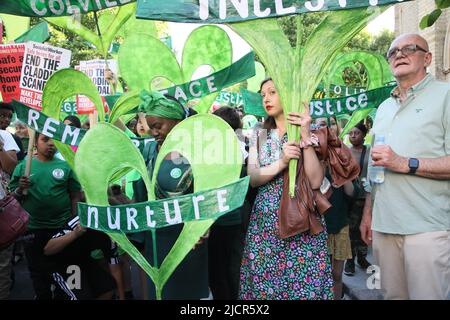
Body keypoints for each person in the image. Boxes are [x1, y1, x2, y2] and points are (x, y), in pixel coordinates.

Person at [360, 33, 450, 300]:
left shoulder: (445, 96)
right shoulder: (385, 107)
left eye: (409, 48)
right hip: (383, 226)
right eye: (393, 51)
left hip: (428, 227)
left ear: (427, 58)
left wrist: (404, 163)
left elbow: (396, 162)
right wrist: (368, 211)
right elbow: (375, 167)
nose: (399, 54)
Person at [239, 78, 333, 300]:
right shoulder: (259, 132)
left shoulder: (313, 130)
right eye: (263, 95)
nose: (266, 99)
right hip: (265, 227)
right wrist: (281, 162)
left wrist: (304, 136)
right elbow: (253, 178)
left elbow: (315, 181)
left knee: (304, 288)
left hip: (303, 226)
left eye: (272, 92)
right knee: (265, 288)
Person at [132, 91, 209, 300]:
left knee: (186, 293)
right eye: (151, 126)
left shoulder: (197, 150)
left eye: (159, 125)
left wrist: (205, 224)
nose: (154, 132)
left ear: (177, 121)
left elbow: (211, 189)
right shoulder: (148, 150)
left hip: (186, 237)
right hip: (155, 237)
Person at [9, 133, 83, 299]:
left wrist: (73, 224)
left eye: (54, 140)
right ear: (35, 142)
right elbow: (12, 199)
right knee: (38, 272)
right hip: (33, 230)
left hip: (61, 229)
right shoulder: (23, 168)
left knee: (66, 270)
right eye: (45, 139)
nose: (50, 144)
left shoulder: (66, 167)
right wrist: (20, 189)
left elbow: (75, 196)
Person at [208, 106, 250, 300]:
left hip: (230, 219)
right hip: (225, 220)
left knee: (225, 272)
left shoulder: (238, 149)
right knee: (228, 271)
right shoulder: (244, 146)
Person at [315, 117, 355, 300]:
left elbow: (351, 193)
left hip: (339, 224)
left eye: (330, 123)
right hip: (317, 227)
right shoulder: (311, 154)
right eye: (321, 124)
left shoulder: (344, 156)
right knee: (318, 276)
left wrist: (343, 175)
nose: (326, 127)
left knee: (337, 275)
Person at [43, 215, 123, 300]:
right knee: (81, 297)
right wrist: (75, 234)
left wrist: (122, 298)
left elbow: (115, 270)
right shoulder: (79, 220)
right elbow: (48, 250)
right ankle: (57, 291)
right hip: (64, 262)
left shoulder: (111, 235)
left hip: (85, 260)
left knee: (108, 289)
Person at [345, 121, 371, 276]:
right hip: (350, 198)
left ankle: (362, 258)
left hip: (366, 197)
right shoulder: (345, 152)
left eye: (357, 133)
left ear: (364, 135)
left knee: (364, 229)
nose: (353, 136)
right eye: (351, 133)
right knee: (350, 231)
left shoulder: (370, 152)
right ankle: (350, 261)